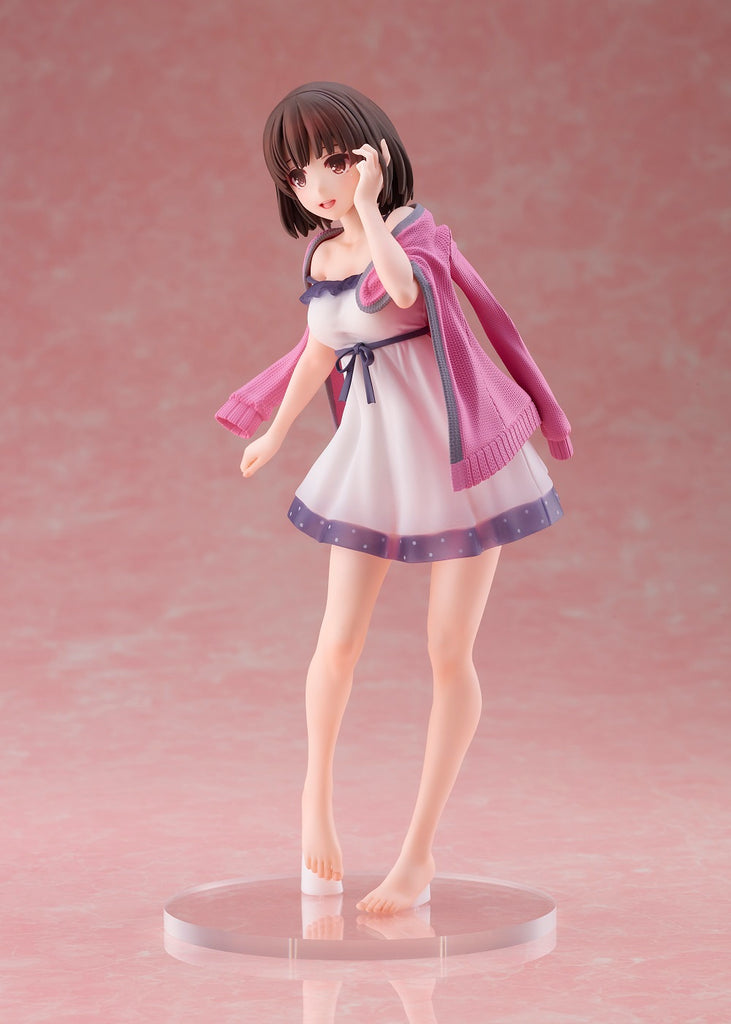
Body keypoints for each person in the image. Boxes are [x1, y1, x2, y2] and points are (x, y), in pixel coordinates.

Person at [216, 82, 573, 914]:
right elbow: (319, 350)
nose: (318, 185)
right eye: (298, 173)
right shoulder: (321, 258)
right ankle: (314, 802)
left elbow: (402, 291)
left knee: (448, 650)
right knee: (336, 642)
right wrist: (274, 432)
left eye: (335, 162)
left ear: (374, 158)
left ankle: (417, 854)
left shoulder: (415, 238)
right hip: (373, 461)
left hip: (459, 461)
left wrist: (372, 209)